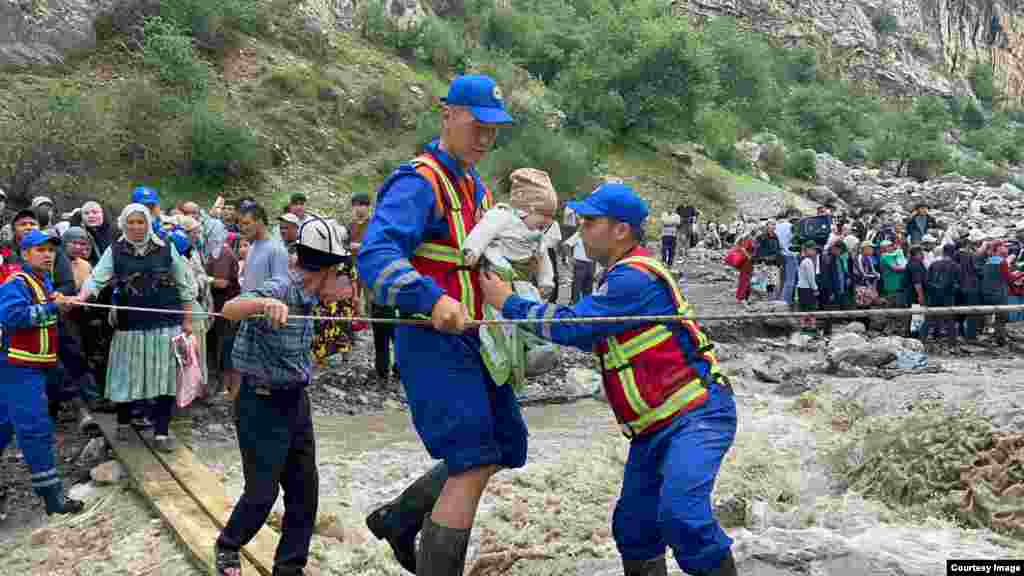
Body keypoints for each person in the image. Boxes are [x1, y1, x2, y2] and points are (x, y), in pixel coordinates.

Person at [479, 182, 738, 576]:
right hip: (656, 426)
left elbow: (575, 328)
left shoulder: (633, 279)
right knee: (634, 530)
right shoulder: (619, 278)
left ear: (621, 230)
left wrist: (508, 303)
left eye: (590, 221)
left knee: (682, 515)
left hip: (696, 414)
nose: (580, 227)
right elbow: (596, 338)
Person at [358, 74, 524, 575]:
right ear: (447, 114)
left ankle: (401, 518)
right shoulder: (417, 181)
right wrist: (431, 299)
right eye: (477, 124)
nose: (486, 137)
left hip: (478, 339)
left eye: (494, 129)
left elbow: (472, 257)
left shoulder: (473, 184)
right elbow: (376, 256)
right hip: (432, 340)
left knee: (508, 445)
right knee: (471, 459)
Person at [214, 216, 348, 576]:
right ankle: (227, 546)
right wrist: (263, 306)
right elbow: (229, 309)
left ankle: (289, 567)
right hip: (259, 402)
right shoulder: (281, 287)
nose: (345, 284)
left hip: (295, 401)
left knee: (305, 493)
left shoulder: (311, 296)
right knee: (261, 494)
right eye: (341, 273)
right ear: (326, 269)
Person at [76, 204, 196, 450]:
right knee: (127, 374)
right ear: (123, 224)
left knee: (165, 378)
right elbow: (97, 278)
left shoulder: (165, 248)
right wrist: (81, 296)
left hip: (166, 323)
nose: (136, 227)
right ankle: (123, 421)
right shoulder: (116, 250)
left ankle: (161, 431)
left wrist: (187, 319)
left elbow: (185, 283)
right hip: (130, 324)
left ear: (148, 223)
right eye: (131, 222)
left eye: (141, 222)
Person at [0, 229, 84, 516]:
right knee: (35, 428)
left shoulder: (43, 280)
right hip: (18, 367)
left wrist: (59, 303)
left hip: (35, 365)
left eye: (51, 250)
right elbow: (12, 316)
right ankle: (53, 498)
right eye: (40, 250)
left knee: (4, 427)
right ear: (25, 254)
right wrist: (52, 307)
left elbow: (46, 309)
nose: (48, 255)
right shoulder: (16, 283)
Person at [461, 167, 558, 390]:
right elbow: (482, 232)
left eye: (550, 219)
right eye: (543, 216)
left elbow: (544, 258)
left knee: (530, 312)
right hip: (500, 275)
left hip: (524, 283)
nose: (547, 223)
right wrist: (471, 251)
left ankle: (534, 350)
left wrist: (546, 281)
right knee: (502, 320)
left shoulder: (537, 235)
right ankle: (506, 356)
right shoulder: (502, 216)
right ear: (527, 208)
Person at [238, 202, 291, 292]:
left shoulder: (276, 249)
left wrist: (255, 296)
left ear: (260, 222)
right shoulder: (252, 247)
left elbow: (282, 285)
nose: (243, 228)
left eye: (246, 223)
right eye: (241, 225)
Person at [923, 243, 960, 346]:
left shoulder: (933, 264)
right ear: (953, 253)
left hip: (933, 296)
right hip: (948, 296)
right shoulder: (955, 266)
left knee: (928, 319)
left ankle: (921, 341)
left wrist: (934, 289)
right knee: (950, 320)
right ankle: (952, 344)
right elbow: (957, 283)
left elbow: (926, 281)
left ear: (943, 252)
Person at [565, 229, 596, 303]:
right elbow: (566, 244)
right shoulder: (579, 234)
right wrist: (570, 258)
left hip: (591, 264)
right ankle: (574, 305)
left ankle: (587, 306)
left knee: (589, 288)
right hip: (580, 263)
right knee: (577, 287)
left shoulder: (596, 235)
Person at [797, 241, 819, 335]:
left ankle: (803, 327)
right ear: (808, 250)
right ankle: (812, 327)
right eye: (813, 249)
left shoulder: (802, 260)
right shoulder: (809, 261)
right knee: (811, 308)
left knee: (803, 308)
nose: (815, 252)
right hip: (807, 288)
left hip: (801, 287)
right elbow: (811, 277)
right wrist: (815, 288)